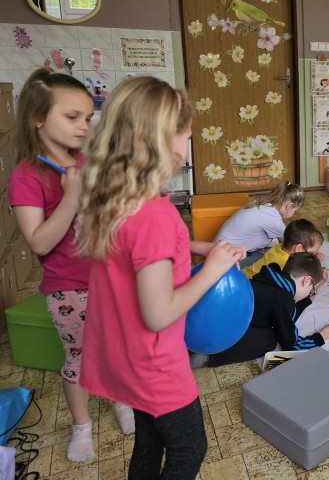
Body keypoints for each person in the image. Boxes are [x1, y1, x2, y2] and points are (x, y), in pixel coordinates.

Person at [74, 76, 245, 479]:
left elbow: (138, 255)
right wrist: (214, 270)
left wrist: (198, 247)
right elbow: (158, 313)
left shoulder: (117, 198)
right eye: (187, 136)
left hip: (122, 355)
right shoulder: (154, 215)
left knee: (150, 442)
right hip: (153, 361)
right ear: (163, 141)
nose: (189, 145)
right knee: (189, 448)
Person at [7, 68, 136, 462]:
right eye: (72, 116)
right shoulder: (26, 176)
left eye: (87, 117)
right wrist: (71, 197)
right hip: (69, 287)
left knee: (117, 349)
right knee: (79, 360)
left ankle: (121, 400)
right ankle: (82, 425)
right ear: (38, 118)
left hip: (112, 276)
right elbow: (39, 241)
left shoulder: (87, 160)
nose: (84, 126)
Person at [199, 252, 329, 368]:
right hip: (213, 338)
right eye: (311, 289)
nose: (310, 292)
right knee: (270, 339)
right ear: (306, 280)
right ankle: (209, 358)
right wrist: (322, 336)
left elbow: (285, 318)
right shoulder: (283, 299)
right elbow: (292, 345)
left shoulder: (269, 278)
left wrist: (308, 298)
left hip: (208, 318)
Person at [215, 181, 305, 266]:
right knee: (275, 257)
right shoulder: (273, 220)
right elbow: (290, 246)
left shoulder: (261, 203)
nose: (294, 214)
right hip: (225, 261)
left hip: (216, 251)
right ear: (289, 206)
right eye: (295, 211)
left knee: (273, 245)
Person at [241, 218, 325, 279]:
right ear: (299, 248)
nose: (314, 255)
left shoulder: (280, 247)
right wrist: (317, 262)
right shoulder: (287, 264)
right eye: (312, 253)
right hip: (248, 286)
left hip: (243, 274)